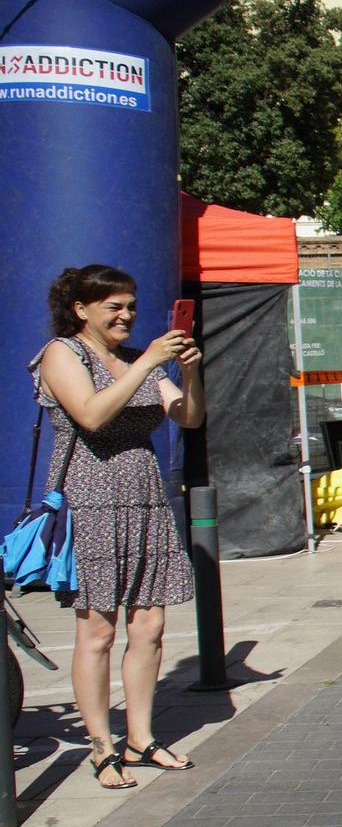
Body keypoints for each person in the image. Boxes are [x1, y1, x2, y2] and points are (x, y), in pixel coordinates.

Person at [34, 265, 203, 790]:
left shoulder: (136, 359)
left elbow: (189, 417)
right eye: (114, 306)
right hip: (92, 498)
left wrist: (187, 373)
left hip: (145, 497)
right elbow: (90, 414)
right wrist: (150, 362)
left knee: (149, 625)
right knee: (98, 629)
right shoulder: (63, 353)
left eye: (130, 306)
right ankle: (101, 745)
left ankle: (140, 737)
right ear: (82, 310)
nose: (126, 315)